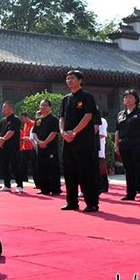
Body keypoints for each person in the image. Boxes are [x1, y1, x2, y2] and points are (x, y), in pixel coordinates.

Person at [59, 70, 99, 212]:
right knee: (70, 172)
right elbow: (62, 118)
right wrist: (63, 132)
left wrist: (75, 131)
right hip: (68, 141)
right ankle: (72, 202)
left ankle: (91, 203)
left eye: (72, 78)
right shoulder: (66, 99)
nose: (69, 80)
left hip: (83, 141)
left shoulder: (87, 96)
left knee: (86, 172)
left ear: (80, 80)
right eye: (67, 78)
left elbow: (88, 116)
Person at [115, 89, 140, 202]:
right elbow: (117, 131)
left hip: (138, 145)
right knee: (129, 170)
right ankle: (130, 193)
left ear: (136, 99)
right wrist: (116, 146)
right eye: (126, 97)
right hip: (124, 145)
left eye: (130, 97)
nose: (127, 99)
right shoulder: (121, 114)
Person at [32, 100, 61, 195]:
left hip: (50, 147)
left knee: (52, 168)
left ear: (50, 107)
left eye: (45, 105)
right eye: (41, 105)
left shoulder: (53, 119)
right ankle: (44, 188)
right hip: (40, 147)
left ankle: (55, 188)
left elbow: (54, 132)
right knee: (41, 168)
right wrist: (39, 142)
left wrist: (45, 142)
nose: (43, 107)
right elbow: (34, 132)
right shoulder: (38, 120)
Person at [0, 101, 23, 193]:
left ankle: (19, 185)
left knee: (15, 165)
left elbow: (11, 132)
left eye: (5, 107)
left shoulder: (15, 120)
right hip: (3, 146)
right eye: (3, 107)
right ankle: (7, 184)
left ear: (11, 108)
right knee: (4, 166)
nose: (3, 109)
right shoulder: (2, 120)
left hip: (12, 147)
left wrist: (3, 139)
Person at [19, 112, 35, 185]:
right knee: (23, 164)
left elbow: (34, 135)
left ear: (26, 117)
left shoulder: (33, 123)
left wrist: (27, 138)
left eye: (22, 118)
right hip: (25, 147)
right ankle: (23, 177)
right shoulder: (25, 125)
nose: (22, 120)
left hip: (31, 147)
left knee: (33, 164)